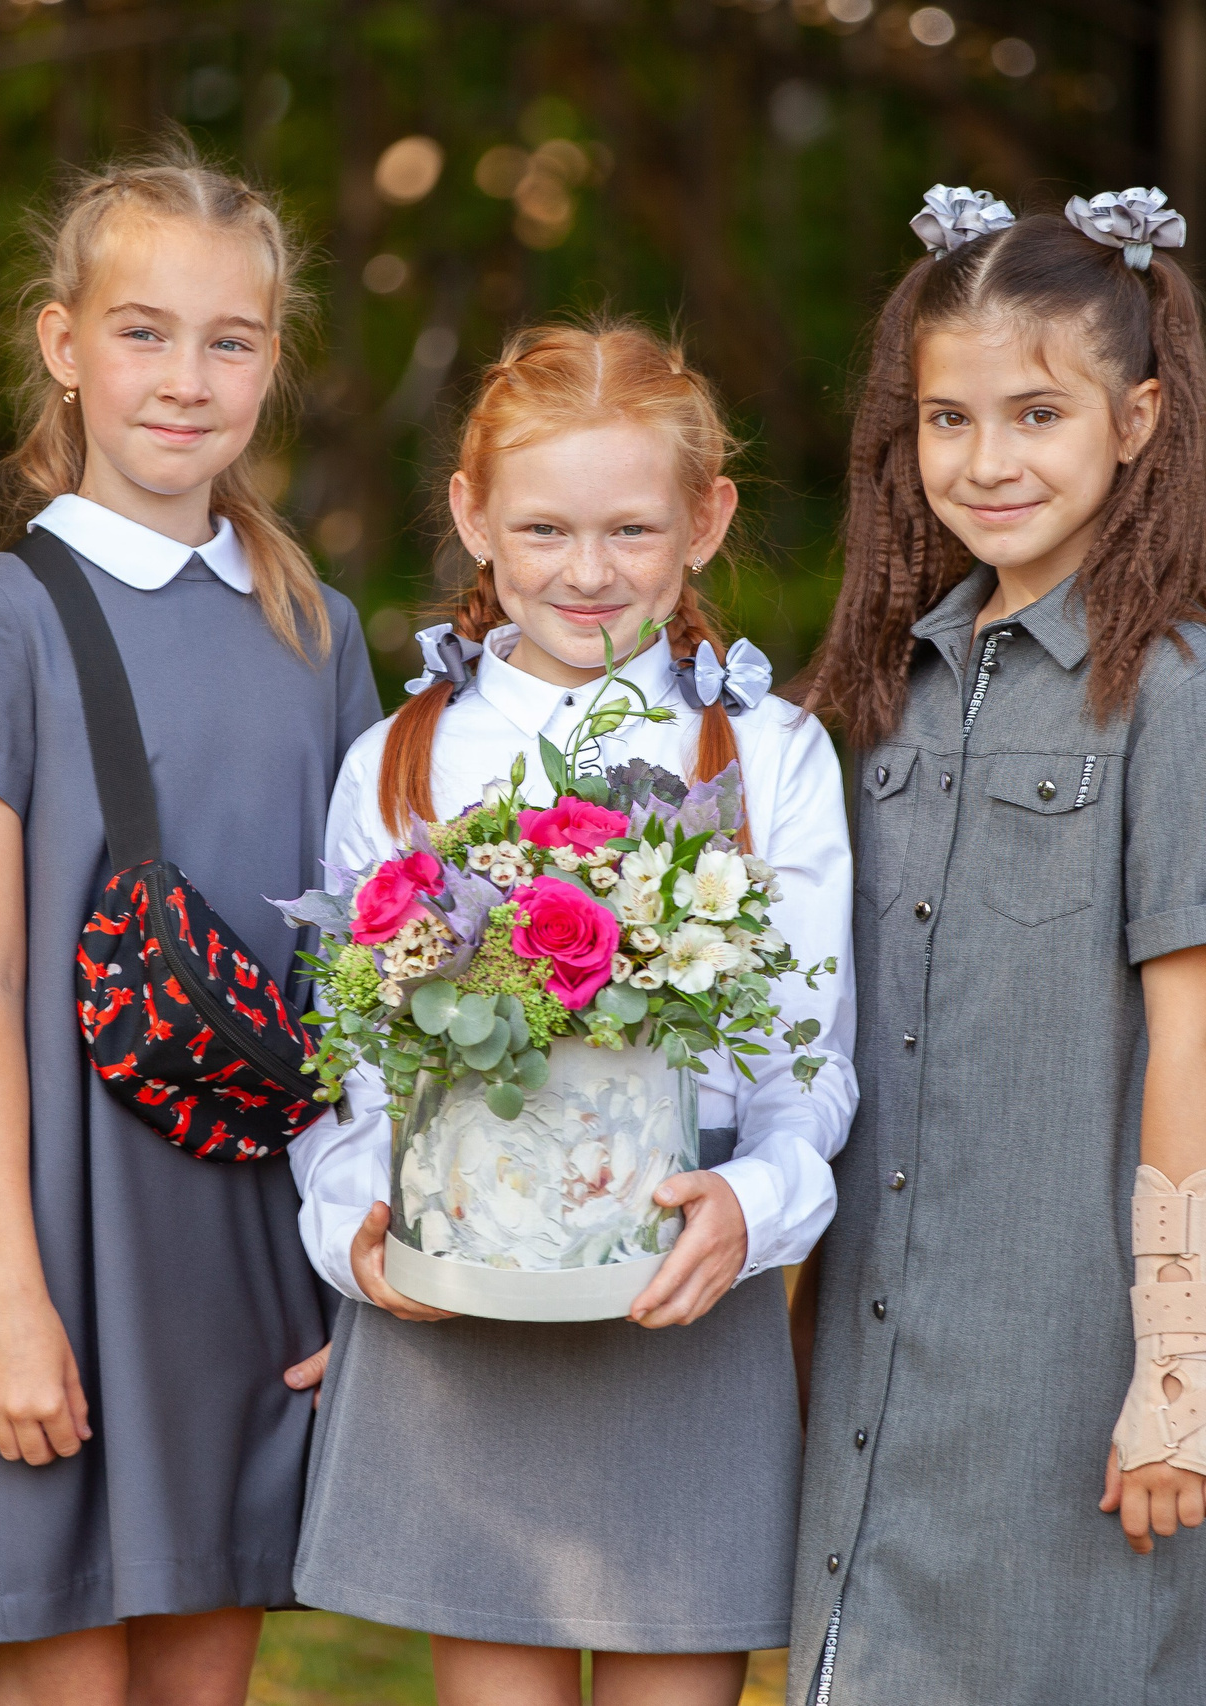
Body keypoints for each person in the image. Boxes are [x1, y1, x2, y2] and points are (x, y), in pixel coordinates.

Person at [0, 147, 381, 1705]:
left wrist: (364, 1268)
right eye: (143, 331)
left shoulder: (316, 626)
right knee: (69, 1667)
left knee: (203, 1667)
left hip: (239, 1233)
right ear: (63, 343)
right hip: (54, 1231)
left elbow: (362, 977)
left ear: (274, 362)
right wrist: (7, 1296)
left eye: (232, 340)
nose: (185, 378)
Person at [286, 320, 858, 1706]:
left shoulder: (769, 755)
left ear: (707, 521)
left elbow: (811, 1071)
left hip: (679, 1298)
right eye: (543, 527)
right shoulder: (400, 759)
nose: (588, 573)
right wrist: (352, 1221)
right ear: (472, 516)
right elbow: (351, 1077)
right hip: (468, 1317)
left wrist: (753, 1206)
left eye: (631, 529)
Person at [789, 186, 1206, 1703]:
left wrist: (1182, 1372)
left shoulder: (1178, 690)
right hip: (881, 1340)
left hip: (1071, 1355)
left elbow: (1197, 1038)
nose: (986, 461)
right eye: (948, 417)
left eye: (1035, 413)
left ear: (1135, 420)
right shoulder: (897, 689)